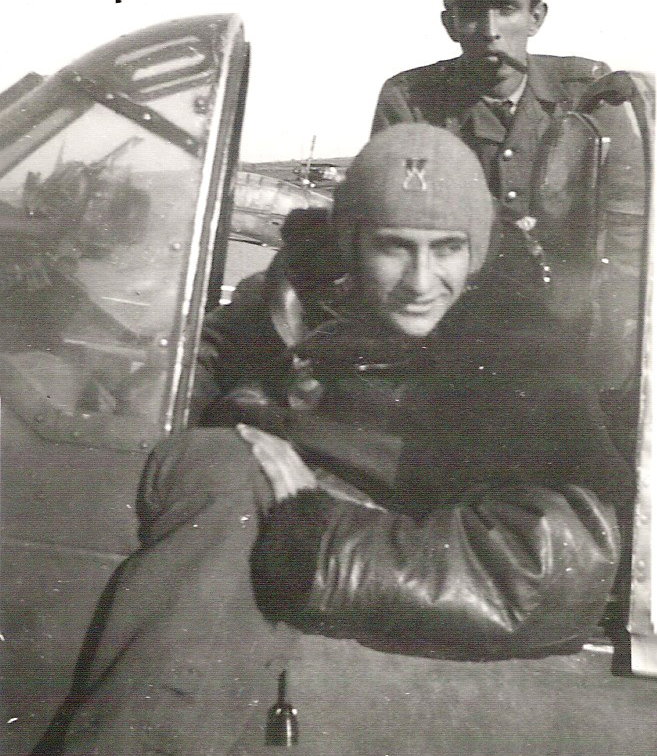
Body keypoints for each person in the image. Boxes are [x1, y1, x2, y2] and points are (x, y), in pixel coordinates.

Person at [35, 125, 636, 756]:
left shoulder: (518, 357)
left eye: (448, 249)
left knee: (228, 478)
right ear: (352, 247)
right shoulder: (291, 299)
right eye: (394, 248)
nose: (421, 280)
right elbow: (207, 357)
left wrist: (316, 535)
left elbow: (554, 563)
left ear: (477, 252)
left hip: (327, 570)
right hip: (233, 530)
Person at [371, 0, 648, 398]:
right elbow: (396, 223)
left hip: (576, 337)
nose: (492, 32)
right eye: (473, 15)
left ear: (537, 16)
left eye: (508, 9)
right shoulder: (411, 100)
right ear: (450, 25)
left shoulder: (589, 96)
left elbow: (629, 235)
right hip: (455, 333)